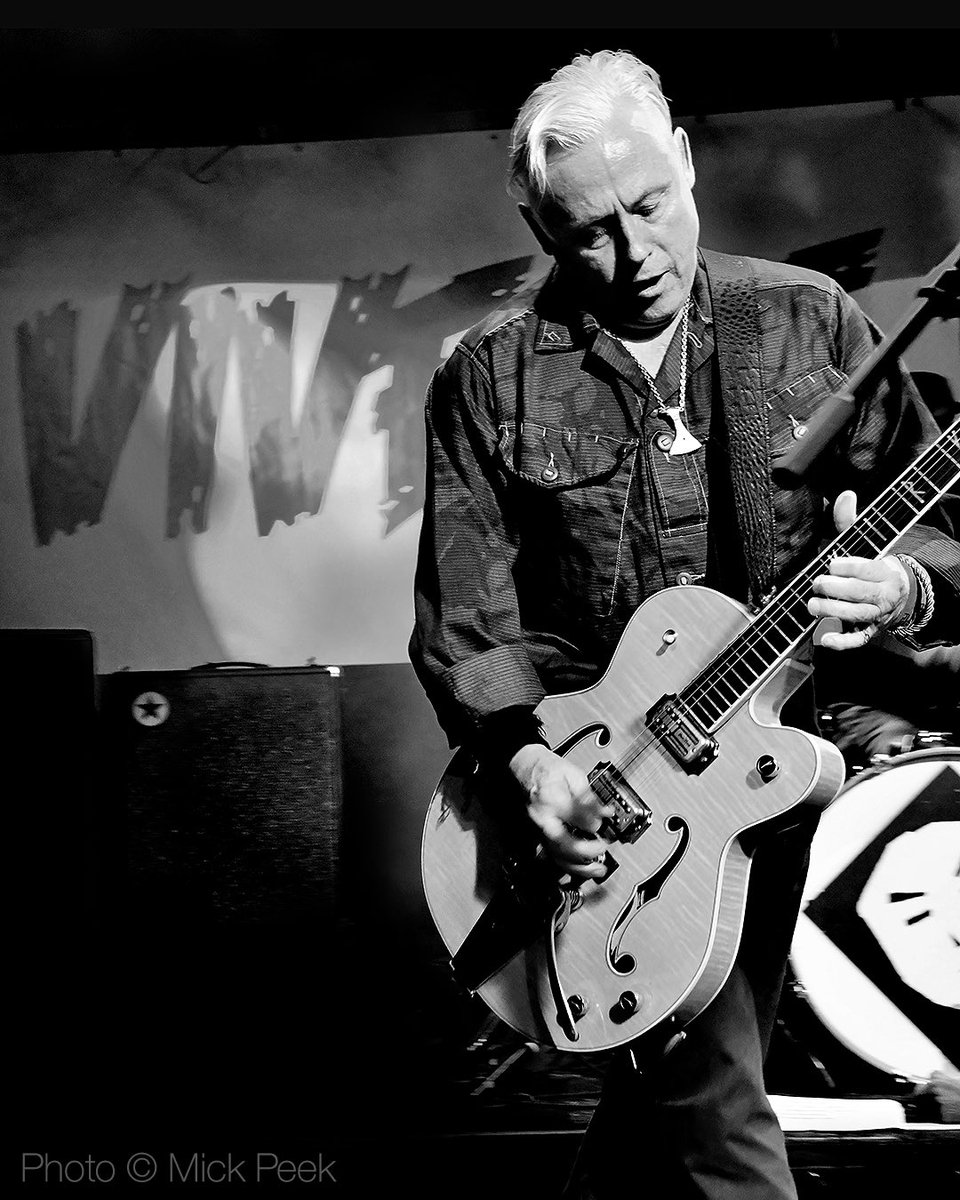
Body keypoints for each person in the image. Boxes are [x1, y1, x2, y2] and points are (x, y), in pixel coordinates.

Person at [409, 50, 960, 1199]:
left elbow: (943, 534)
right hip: (592, 784)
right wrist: (526, 768)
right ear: (542, 227)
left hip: (764, 769)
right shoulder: (489, 376)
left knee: (679, 1076)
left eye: (652, 205)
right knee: (707, 1093)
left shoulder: (807, 322)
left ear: (690, 164)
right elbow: (467, 613)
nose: (635, 252)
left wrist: (904, 591)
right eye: (590, 232)